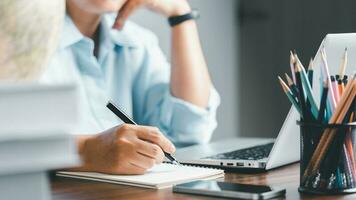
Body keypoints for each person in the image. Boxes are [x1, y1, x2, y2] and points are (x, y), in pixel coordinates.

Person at [41, 0, 220, 175]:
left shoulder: (136, 42)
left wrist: (180, 14)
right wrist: (86, 151)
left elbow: (188, 130)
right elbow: (15, 148)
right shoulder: (22, 45)